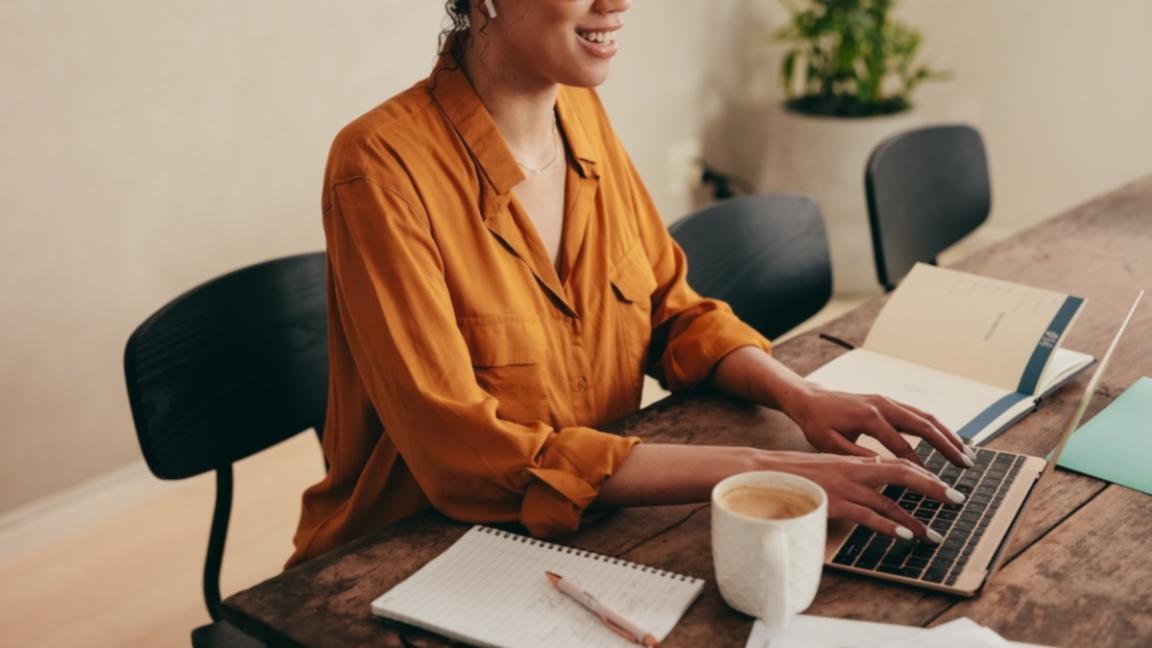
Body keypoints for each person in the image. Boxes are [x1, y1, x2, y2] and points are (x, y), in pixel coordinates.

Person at [286, 0, 975, 568]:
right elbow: (462, 458)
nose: (616, 5)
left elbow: (672, 313)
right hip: (408, 556)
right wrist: (757, 468)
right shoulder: (378, 165)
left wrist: (802, 396)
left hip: (591, 534)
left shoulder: (579, 112)